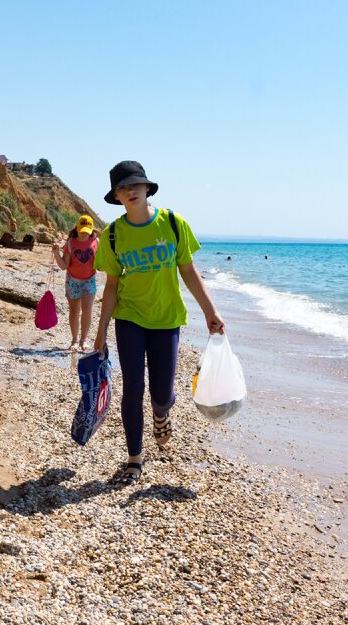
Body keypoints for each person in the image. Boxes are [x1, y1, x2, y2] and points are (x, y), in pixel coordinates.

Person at [91, 161, 225, 484]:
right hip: (130, 319)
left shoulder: (173, 224)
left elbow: (189, 271)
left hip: (167, 319)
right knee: (133, 388)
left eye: (135, 184)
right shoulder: (112, 236)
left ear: (147, 187)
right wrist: (100, 333)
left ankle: (161, 414)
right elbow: (110, 287)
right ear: (117, 197)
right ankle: (135, 458)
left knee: (162, 393)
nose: (130, 191)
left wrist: (210, 311)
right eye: (123, 188)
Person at [50, 215, 99, 350]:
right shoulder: (71, 244)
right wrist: (56, 254)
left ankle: (84, 340)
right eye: (82, 230)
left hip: (89, 279)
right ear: (77, 228)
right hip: (73, 280)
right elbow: (63, 266)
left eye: (87, 231)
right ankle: (74, 341)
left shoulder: (96, 242)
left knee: (87, 308)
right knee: (74, 310)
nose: (84, 234)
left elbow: (100, 264)